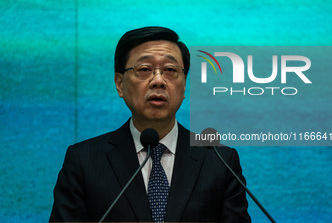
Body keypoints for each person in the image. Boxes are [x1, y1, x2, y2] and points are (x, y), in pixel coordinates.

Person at [49, 26, 251, 222]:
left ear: (184, 85)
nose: (158, 81)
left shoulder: (220, 161)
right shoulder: (84, 161)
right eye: (144, 69)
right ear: (120, 84)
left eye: (170, 70)